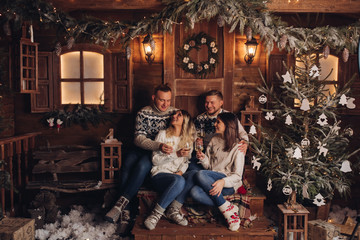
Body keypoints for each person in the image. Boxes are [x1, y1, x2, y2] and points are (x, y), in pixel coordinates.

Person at [105, 84, 177, 231]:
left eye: (168, 100)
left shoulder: (175, 113)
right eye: (162, 100)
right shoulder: (144, 113)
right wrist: (158, 145)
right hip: (143, 148)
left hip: (159, 153)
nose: (165, 104)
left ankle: (121, 206)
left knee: (143, 166)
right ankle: (125, 210)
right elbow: (139, 139)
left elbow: (185, 130)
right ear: (153, 98)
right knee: (127, 164)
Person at [191, 112, 246, 231]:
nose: (215, 124)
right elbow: (209, 167)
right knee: (194, 192)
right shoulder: (214, 139)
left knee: (199, 174)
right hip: (211, 179)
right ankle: (228, 207)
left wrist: (222, 182)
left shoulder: (238, 146)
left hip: (228, 184)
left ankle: (229, 215)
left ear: (228, 125)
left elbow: (237, 176)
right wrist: (203, 158)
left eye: (218, 122)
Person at [144, 109, 196, 230]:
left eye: (179, 115)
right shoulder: (163, 134)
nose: (174, 116)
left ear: (185, 121)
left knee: (193, 174)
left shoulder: (188, 140)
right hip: (159, 175)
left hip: (176, 177)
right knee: (180, 181)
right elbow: (155, 160)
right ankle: (155, 215)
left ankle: (173, 210)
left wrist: (181, 172)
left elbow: (186, 161)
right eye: (174, 114)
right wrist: (176, 154)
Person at [190, 90, 248, 170]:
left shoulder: (229, 117)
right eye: (207, 102)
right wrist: (196, 143)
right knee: (192, 170)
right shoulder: (199, 119)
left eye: (212, 102)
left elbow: (242, 134)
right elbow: (193, 139)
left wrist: (245, 143)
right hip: (205, 154)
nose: (209, 105)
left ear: (221, 103)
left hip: (224, 155)